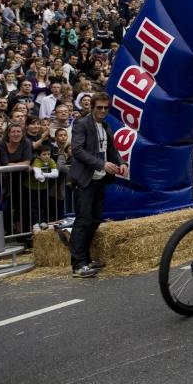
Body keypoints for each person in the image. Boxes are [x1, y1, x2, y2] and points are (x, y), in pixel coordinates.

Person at [68, 92, 126, 278]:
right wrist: (102, 164)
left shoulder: (106, 125)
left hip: (100, 179)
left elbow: (112, 148)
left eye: (105, 108)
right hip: (86, 178)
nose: (102, 111)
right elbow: (77, 150)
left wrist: (121, 162)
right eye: (99, 107)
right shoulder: (82, 123)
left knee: (94, 220)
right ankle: (78, 264)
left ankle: (86, 258)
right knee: (83, 220)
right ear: (91, 107)